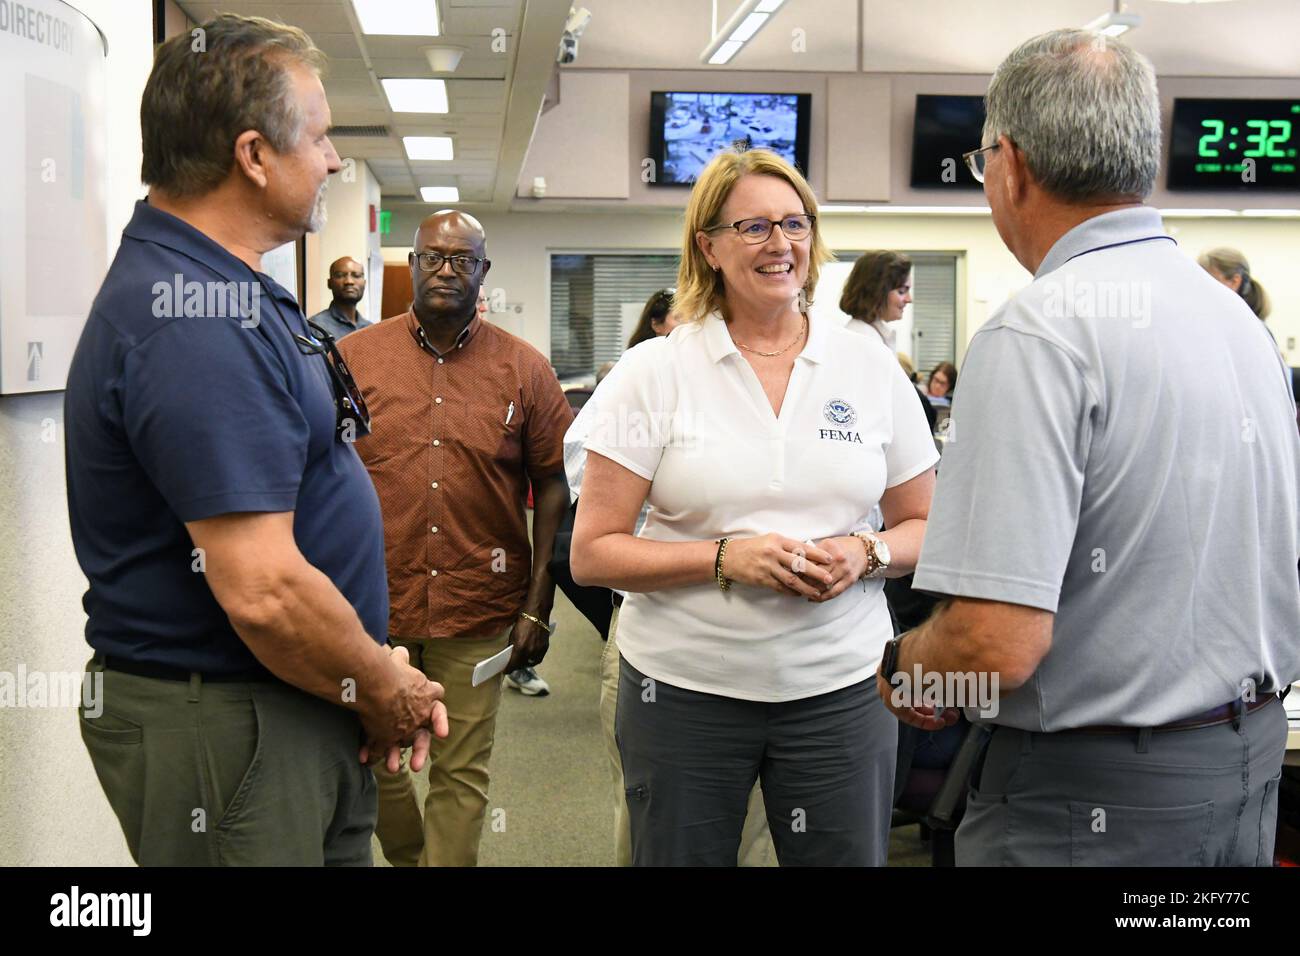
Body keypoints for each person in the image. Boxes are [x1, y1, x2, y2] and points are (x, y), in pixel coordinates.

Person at [886, 28, 1300, 866]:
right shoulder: (1240, 323)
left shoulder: (1036, 333)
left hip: (1094, 800)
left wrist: (910, 667)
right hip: (1244, 767)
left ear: (1011, 163)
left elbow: (994, 647)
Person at [63, 14, 447, 867]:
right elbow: (266, 590)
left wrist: (363, 666)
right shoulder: (190, 319)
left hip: (290, 699)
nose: (335, 159)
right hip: (228, 722)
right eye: (319, 137)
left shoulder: (232, 288)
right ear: (253, 154)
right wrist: (383, 684)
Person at [571, 146, 938, 866]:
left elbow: (927, 523)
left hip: (842, 685)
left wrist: (867, 552)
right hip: (684, 691)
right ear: (708, 246)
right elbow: (593, 552)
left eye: (795, 224)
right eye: (754, 228)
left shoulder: (866, 364)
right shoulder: (656, 372)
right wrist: (722, 558)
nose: (781, 245)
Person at [336, 211, 573, 867]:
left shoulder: (525, 370)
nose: (447, 269)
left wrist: (538, 604)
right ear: (411, 266)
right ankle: (415, 858)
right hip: (372, 606)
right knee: (374, 758)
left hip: (478, 607)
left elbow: (552, 486)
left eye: (463, 259)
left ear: (483, 273)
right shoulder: (352, 360)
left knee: (460, 770)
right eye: (434, 258)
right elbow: (319, 476)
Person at [565, 287, 776, 867]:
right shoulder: (647, 375)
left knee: (758, 832)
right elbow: (589, 495)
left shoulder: (791, 380)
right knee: (650, 824)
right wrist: (694, 533)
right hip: (660, 640)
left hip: (778, 656)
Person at [839, 250, 912, 355]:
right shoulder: (859, 339)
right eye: (902, 291)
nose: (909, 299)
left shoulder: (873, 334)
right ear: (876, 292)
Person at [308, 256, 371, 339]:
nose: (349, 281)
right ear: (329, 283)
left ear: (364, 283)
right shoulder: (316, 327)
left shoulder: (370, 328)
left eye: (356, 275)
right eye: (340, 275)